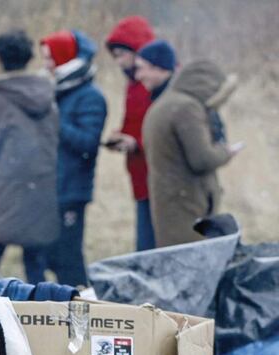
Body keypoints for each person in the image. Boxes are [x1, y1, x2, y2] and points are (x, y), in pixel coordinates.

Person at [0, 29, 61, 273]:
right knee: (35, 265)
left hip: (4, 190)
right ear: (29, 57)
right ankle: (39, 310)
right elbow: (52, 145)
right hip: (41, 189)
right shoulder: (48, 98)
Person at [33, 29, 108, 286]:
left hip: (71, 191)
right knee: (46, 256)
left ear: (64, 59)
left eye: (50, 59)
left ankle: (84, 307)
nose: (46, 66)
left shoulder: (90, 97)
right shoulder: (57, 91)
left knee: (68, 259)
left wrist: (53, 119)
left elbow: (88, 144)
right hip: (50, 189)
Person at [143, 59, 241, 247]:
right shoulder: (186, 108)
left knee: (175, 259)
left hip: (171, 199)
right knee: (192, 263)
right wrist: (225, 152)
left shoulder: (166, 103)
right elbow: (202, 159)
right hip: (186, 202)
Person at [104, 16, 157, 251]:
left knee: (152, 245)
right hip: (140, 175)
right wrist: (122, 136)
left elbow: (164, 130)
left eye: (121, 55)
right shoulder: (133, 85)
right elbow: (135, 124)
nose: (119, 62)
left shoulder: (153, 84)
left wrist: (137, 143)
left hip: (157, 177)